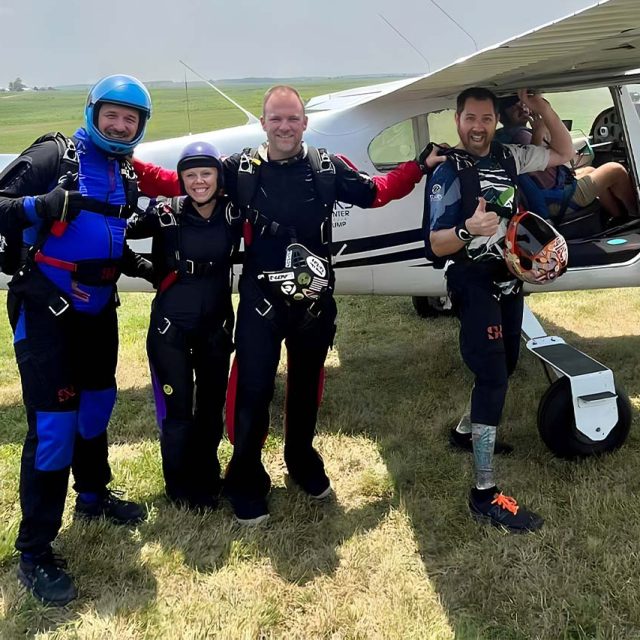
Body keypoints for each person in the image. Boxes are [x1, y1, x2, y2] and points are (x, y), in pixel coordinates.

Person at [133, 84, 428, 524]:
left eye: (293, 119)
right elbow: (182, 180)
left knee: (307, 387)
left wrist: (419, 166)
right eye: (276, 119)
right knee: (254, 390)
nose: (285, 127)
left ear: (304, 123)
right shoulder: (239, 170)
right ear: (263, 123)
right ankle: (246, 477)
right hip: (261, 303)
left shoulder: (328, 169)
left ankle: (302, 461)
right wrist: (122, 161)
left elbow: (378, 191)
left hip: (313, 302)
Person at [0, 74, 153, 605]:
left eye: (130, 119)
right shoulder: (53, 155)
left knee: (97, 407)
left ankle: (92, 495)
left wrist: (145, 265)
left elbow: (106, 237)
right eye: (112, 114)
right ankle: (35, 550)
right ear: (92, 112)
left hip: (97, 310)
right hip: (46, 313)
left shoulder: (121, 173)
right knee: (55, 427)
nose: (119, 124)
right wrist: (38, 206)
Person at [427, 87, 574, 532]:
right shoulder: (447, 174)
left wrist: (541, 107)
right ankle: (484, 494)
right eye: (470, 118)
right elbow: (435, 244)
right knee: (492, 376)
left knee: (507, 363)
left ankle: (464, 433)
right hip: (472, 281)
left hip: (509, 278)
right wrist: (467, 229)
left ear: (494, 121)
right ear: (457, 120)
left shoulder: (510, 156)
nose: (478, 127)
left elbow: (564, 152)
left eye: (486, 119)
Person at [127, 141, 239, 511]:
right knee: (179, 412)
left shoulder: (234, 213)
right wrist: (145, 270)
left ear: (218, 177)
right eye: (190, 175)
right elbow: (115, 234)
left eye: (206, 173)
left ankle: (207, 479)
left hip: (215, 328)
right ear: (181, 179)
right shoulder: (164, 213)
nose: (199, 181)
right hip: (169, 331)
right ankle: (178, 486)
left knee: (209, 409)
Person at [496, 94, 637, 220]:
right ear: (501, 115)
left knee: (589, 170)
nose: (521, 108)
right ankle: (635, 215)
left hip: (549, 193)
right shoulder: (520, 136)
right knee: (615, 170)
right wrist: (539, 131)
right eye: (513, 106)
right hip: (555, 199)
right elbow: (534, 168)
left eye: (522, 103)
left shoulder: (503, 136)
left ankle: (617, 217)